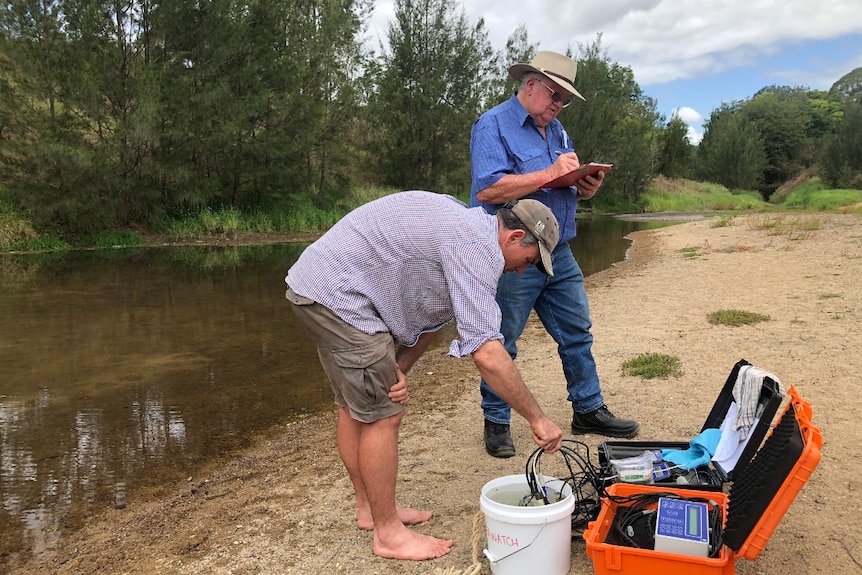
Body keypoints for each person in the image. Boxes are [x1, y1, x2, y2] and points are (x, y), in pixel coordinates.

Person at [284, 191, 564, 561]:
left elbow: (436, 313)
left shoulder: (468, 227)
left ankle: (370, 510)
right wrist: (538, 419)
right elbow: (489, 354)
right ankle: (388, 535)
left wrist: (400, 365)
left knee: (355, 405)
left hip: (319, 285)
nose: (524, 269)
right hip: (339, 297)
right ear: (513, 238)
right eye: (529, 259)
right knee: (385, 412)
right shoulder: (476, 249)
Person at [470, 50, 640, 459]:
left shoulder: (559, 131)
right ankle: (496, 422)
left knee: (577, 331)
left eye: (564, 99)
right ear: (530, 85)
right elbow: (487, 191)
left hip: (558, 249)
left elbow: (558, 183)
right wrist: (549, 174)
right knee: (503, 339)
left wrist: (584, 186)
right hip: (517, 253)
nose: (558, 105)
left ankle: (588, 409)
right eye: (554, 95)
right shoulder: (493, 125)